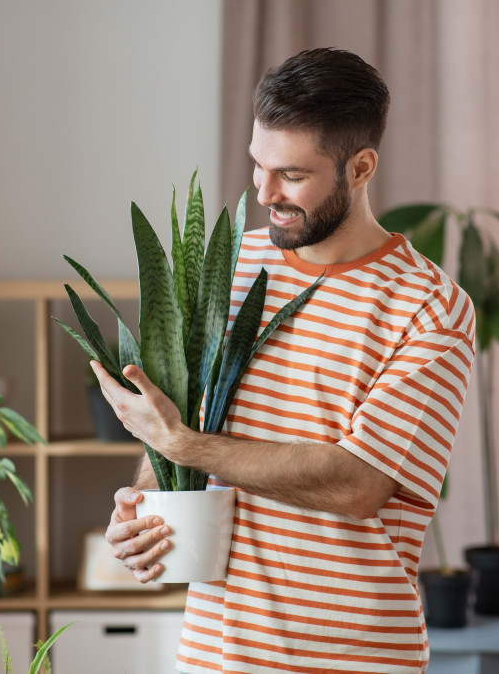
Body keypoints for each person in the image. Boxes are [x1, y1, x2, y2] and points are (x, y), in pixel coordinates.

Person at [95, 48, 475, 674]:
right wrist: (146, 503)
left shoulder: (431, 309)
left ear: (360, 167)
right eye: (258, 165)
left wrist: (190, 448)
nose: (264, 192)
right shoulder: (233, 268)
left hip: (352, 660)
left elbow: (358, 484)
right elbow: (178, 422)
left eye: (292, 175)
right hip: (213, 654)